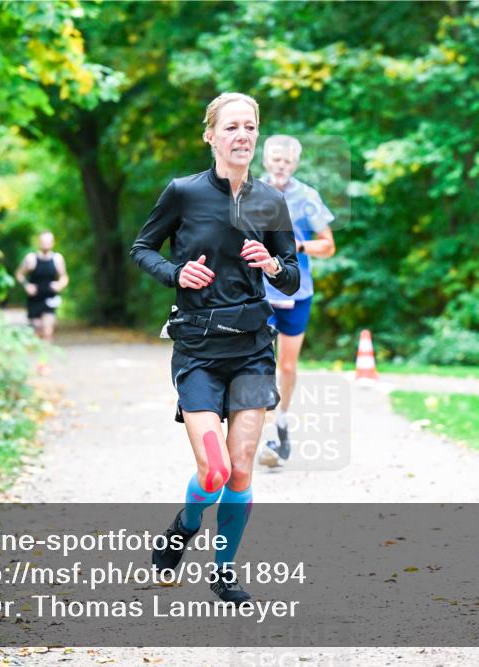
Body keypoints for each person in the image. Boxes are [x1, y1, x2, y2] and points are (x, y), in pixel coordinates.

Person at [129, 93, 299, 605]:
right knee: (215, 470)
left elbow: (290, 278)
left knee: (242, 467)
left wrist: (271, 266)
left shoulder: (271, 201)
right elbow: (142, 249)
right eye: (231, 127)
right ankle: (183, 527)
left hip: (251, 349)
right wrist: (175, 272)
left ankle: (224, 574)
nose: (242, 135)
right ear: (211, 135)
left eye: (250, 127)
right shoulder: (182, 192)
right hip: (199, 349)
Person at [255, 135, 336, 467]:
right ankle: (257, 436)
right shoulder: (250, 192)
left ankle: (282, 424)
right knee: (259, 363)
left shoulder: (307, 197)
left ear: (295, 164)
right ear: (266, 160)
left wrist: (297, 246)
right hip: (258, 292)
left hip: (296, 292)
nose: (281, 165)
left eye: (287, 160)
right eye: (276, 159)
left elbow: (328, 246)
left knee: (286, 366)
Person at [15, 231, 69, 342]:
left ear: (53, 243)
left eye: (48, 241)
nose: (46, 244)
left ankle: (46, 358)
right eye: (44, 241)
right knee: (37, 331)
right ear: (39, 242)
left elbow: (64, 277)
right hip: (34, 299)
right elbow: (19, 274)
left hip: (50, 298)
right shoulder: (31, 259)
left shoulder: (57, 259)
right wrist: (27, 286)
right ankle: (38, 356)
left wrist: (59, 285)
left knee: (48, 331)